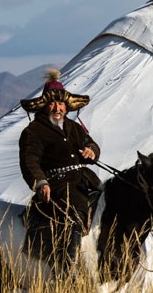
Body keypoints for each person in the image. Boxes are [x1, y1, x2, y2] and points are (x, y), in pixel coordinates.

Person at [18, 69, 101, 277]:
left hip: (84, 181)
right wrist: (40, 182)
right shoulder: (34, 131)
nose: (57, 108)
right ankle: (67, 266)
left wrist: (91, 151)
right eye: (52, 103)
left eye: (61, 104)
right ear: (44, 106)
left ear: (67, 106)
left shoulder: (74, 127)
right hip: (56, 185)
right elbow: (30, 160)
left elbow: (90, 143)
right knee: (76, 208)